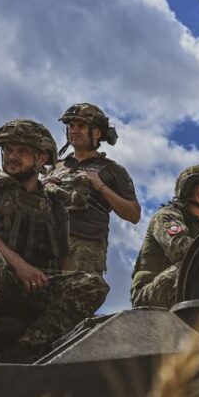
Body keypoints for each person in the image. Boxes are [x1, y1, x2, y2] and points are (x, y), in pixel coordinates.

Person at [0, 119, 109, 363]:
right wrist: (21, 267)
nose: (12, 156)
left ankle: (26, 351)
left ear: (41, 158)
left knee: (92, 284)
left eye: (22, 151)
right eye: (8, 150)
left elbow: (62, 261)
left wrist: (58, 293)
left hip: (33, 287)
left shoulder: (54, 204)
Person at [44, 103, 140, 299]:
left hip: (84, 248)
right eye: (71, 126)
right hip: (47, 243)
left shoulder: (112, 170)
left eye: (80, 125)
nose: (74, 130)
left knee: (72, 309)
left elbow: (133, 214)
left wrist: (100, 187)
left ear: (96, 132)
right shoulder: (55, 166)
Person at [130, 164, 199, 309]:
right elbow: (180, 248)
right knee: (193, 263)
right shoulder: (166, 216)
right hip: (149, 296)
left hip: (194, 298)